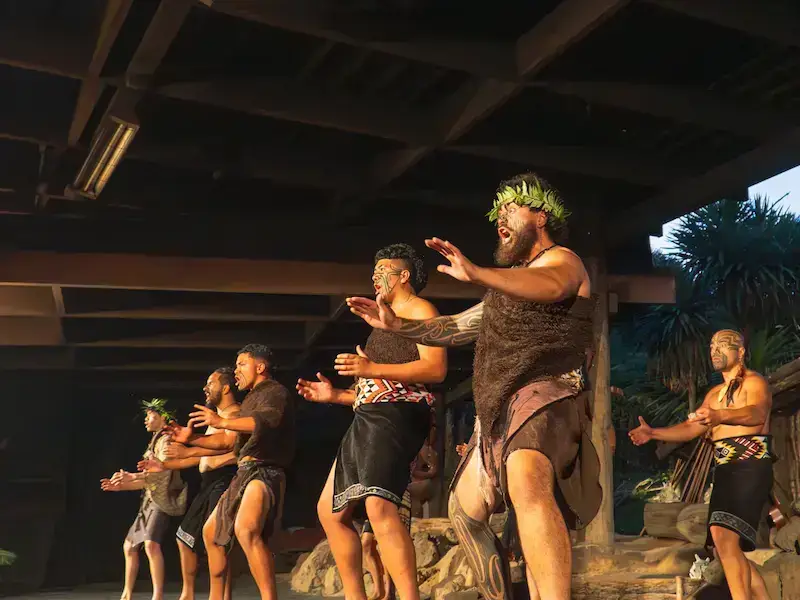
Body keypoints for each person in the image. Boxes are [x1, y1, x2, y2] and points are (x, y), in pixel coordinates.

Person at [347, 174, 602, 600]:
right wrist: (401, 327)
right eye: (496, 214)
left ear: (541, 216)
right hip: (499, 407)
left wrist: (479, 273)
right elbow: (456, 328)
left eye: (511, 210)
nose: (500, 219)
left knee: (524, 480)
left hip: (546, 394)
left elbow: (552, 285)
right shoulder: (508, 285)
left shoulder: (563, 260)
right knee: (463, 511)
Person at [297, 243, 447, 600]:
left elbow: (435, 369)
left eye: (382, 271)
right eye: (373, 272)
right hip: (370, 416)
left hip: (397, 417)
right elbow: (377, 386)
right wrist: (335, 396)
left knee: (378, 505)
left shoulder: (421, 310)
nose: (374, 278)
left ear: (404, 276)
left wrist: (370, 368)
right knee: (329, 512)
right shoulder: (381, 323)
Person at [629, 329, 773, 600]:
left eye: (723, 346)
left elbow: (757, 414)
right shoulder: (713, 394)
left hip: (750, 464)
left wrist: (720, 415)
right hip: (726, 469)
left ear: (741, 352)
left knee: (722, 536)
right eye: (711, 347)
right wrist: (653, 433)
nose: (714, 352)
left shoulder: (755, 383)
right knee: (723, 547)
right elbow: (689, 428)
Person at [168, 345, 295, 600]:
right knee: (210, 534)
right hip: (244, 473)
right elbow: (227, 442)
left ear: (260, 367)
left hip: (264, 470)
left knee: (246, 529)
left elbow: (264, 422)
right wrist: (192, 438)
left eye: (241, 364)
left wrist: (221, 422)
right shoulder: (249, 399)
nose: (236, 370)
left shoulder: (275, 393)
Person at [138, 368, 241, 600]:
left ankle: (222, 596)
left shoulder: (235, 416)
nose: (205, 388)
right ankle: (189, 593)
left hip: (225, 479)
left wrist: (190, 445)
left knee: (218, 540)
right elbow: (202, 456)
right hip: (209, 483)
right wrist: (166, 465)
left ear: (225, 388)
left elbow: (230, 448)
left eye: (211, 383)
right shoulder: (216, 418)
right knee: (185, 536)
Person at [101, 399, 188, 600]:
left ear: (162, 418)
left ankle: (157, 595)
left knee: (151, 544)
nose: (146, 420)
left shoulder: (166, 441)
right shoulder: (155, 441)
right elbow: (147, 480)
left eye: (150, 416)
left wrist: (131, 478)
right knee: (129, 546)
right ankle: (127, 593)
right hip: (149, 500)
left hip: (160, 501)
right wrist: (122, 485)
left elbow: (162, 475)